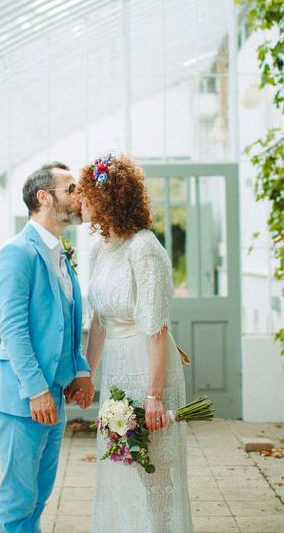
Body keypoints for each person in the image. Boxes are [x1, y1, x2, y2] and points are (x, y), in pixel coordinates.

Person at [78, 153, 193, 533]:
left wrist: (154, 395)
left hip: (147, 366)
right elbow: (99, 322)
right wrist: (87, 376)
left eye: (88, 193)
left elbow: (156, 328)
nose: (81, 200)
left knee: (154, 469)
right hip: (115, 368)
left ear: (109, 199)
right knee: (120, 463)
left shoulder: (144, 248)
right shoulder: (98, 250)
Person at [0, 161, 95, 533]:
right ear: (44, 198)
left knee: (40, 494)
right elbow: (13, 329)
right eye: (72, 188)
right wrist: (36, 390)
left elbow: (67, 322)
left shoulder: (60, 252)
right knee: (18, 496)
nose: (80, 196)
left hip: (56, 395)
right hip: (24, 397)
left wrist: (79, 371)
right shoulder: (16, 252)